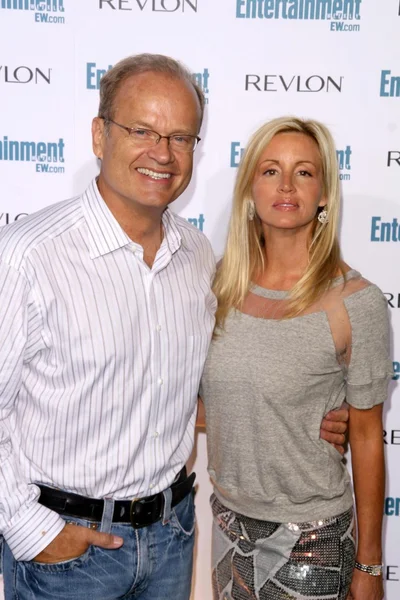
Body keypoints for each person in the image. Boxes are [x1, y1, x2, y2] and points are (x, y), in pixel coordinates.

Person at [0, 55, 347, 600]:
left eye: (181, 137)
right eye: (142, 130)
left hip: (173, 538)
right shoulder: (29, 255)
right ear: (99, 134)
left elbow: (190, 394)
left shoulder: (196, 256)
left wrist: (308, 417)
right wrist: (28, 528)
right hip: (69, 553)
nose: (162, 153)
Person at [200, 117, 393, 600]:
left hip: (314, 536)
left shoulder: (355, 302)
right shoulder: (216, 286)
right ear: (249, 189)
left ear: (324, 192)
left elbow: (369, 439)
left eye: (304, 172)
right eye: (270, 171)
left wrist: (370, 566)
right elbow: (202, 398)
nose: (286, 185)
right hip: (228, 524)